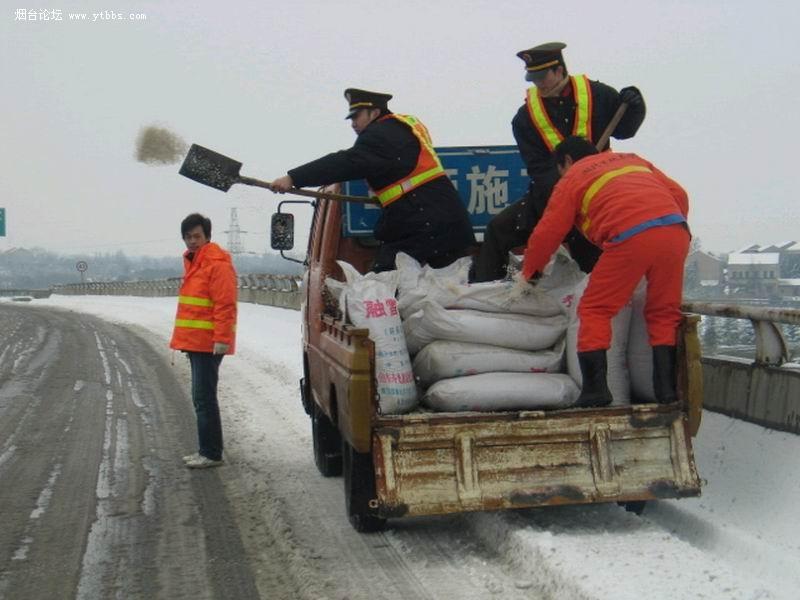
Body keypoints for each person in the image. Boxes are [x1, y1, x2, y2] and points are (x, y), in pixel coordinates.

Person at [521, 136, 690, 408]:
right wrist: (664, 225)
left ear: (566, 162)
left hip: (631, 235)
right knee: (663, 312)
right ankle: (666, 391)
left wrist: (530, 273)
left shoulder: (573, 177)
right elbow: (679, 194)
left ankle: (596, 390)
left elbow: (548, 232)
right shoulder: (633, 160)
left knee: (595, 309)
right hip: (675, 231)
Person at [472, 41, 647, 282]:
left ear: (559, 70)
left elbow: (625, 129)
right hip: (552, 194)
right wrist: (566, 188)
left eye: (543, 76)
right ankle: (487, 294)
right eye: (534, 78)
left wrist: (636, 105)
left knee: (593, 250)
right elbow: (538, 168)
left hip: (599, 196)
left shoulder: (599, 94)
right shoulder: (525, 118)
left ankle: (603, 296)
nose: (539, 83)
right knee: (498, 230)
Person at [270, 88, 475, 272]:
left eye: (356, 117)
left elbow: (346, 162)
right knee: (441, 288)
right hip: (442, 222)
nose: (353, 124)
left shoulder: (379, 135)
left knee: (382, 284)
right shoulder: (404, 127)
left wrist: (293, 178)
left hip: (424, 224)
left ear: (374, 113)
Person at [170, 213, 238, 469]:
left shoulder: (216, 264)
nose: (192, 241)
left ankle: (211, 453)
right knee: (202, 397)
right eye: (188, 237)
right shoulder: (195, 263)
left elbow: (225, 304)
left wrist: (221, 339)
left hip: (209, 344)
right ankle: (207, 450)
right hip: (197, 342)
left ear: (207, 236)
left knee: (204, 398)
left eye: (197, 236)